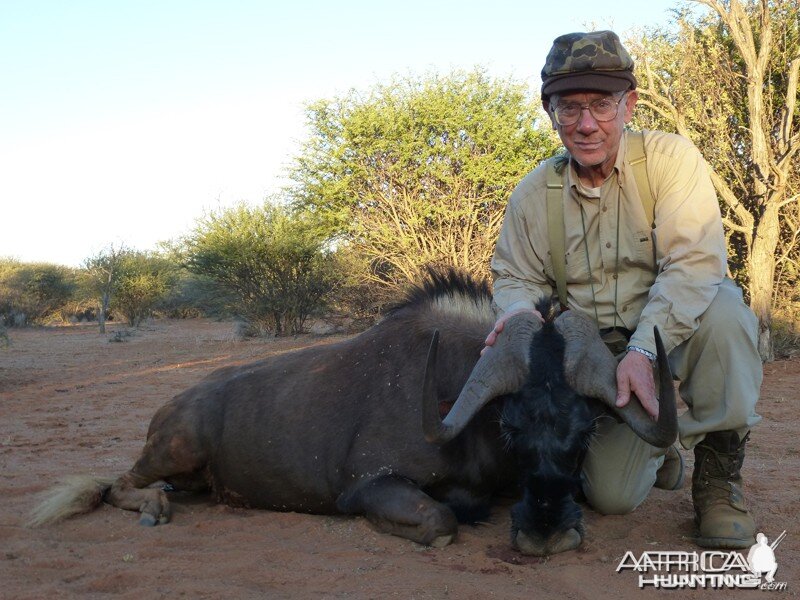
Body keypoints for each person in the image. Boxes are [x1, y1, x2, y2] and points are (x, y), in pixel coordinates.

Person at [486, 30, 762, 549]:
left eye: (601, 105)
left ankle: (719, 481)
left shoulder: (671, 160)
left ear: (629, 104)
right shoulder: (531, 193)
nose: (586, 124)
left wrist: (641, 349)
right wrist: (520, 318)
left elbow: (694, 263)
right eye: (568, 108)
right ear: (550, 113)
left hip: (670, 333)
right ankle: (661, 445)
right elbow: (515, 277)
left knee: (726, 312)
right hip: (597, 354)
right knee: (612, 496)